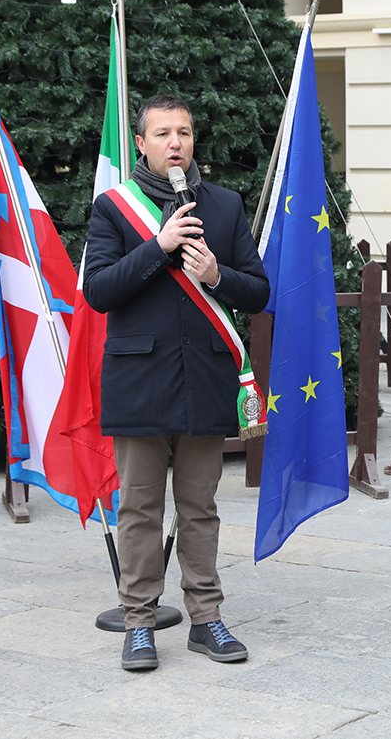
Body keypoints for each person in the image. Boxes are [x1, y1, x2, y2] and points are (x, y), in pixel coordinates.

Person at [85, 94, 270, 671]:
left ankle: (206, 619)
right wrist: (158, 247)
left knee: (200, 507)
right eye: (162, 133)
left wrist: (218, 275)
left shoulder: (222, 203)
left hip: (207, 379)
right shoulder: (114, 208)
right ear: (141, 143)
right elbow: (98, 290)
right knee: (139, 507)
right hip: (140, 381)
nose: (175, 143)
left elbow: (258, 291)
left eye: (184, 133)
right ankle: (139, 623)